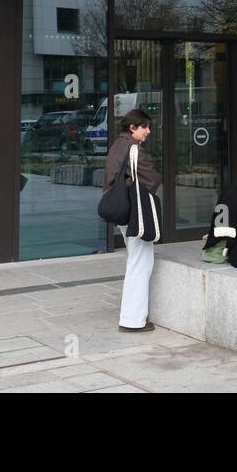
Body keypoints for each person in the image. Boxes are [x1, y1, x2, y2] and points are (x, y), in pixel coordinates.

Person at [103, 108, 160, 334]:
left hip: (121, 209)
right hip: (133, 210)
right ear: (132, 127)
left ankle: (131, 316)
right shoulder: (133, 149)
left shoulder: (117, 145)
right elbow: (152, 178)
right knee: (141, 263)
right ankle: (133, 320)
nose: (148, 131)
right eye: (144, 127)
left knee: (134, 260)